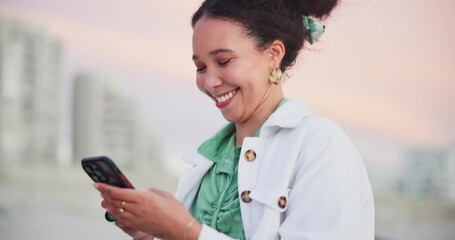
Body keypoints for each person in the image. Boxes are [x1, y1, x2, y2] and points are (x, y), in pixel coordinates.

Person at [94, 0, 375, 239]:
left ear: (273, 54)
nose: (210, 82)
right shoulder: (207, 162)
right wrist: (156, 233)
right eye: (200, 67)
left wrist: (187, 230)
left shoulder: (320, 145)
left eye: (224, 61)